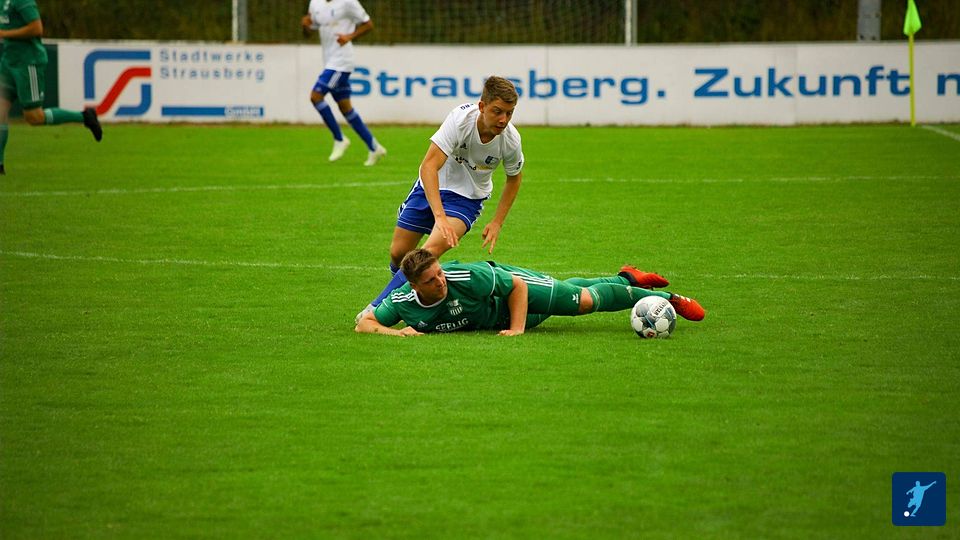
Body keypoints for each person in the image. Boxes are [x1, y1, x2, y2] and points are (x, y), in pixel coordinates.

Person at [355, 75, 524, 322]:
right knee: (399, 254)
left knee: (427, 253)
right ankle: (407, 292)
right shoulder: (460, 120)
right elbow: (428, 166)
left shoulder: (510, 140)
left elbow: (514, 178)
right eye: (497, 111)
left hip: (466, 199)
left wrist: (497, 222)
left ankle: (376, 308)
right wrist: (439, 217)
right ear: (482, 106)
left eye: (509, 113)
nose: (503, 119)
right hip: (432, 185)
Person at [355, 248, 706, 337]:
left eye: (440, 273)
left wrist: (518, 329)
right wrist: (396, 333)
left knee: (583, 303)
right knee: (568, 292)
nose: (441, 281)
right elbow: (365, 323)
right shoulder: (404, 302)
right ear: (414, 286)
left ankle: (670, 300)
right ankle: (627, 278)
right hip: (503, 316)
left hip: (515, 293)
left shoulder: (465, 276)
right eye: (432, 281)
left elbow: (517, 286)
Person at [0, 0, 102, 175]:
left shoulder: (23, 1)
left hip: (28, 63)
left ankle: (85, 117)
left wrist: (5, 34)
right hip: (8, 62)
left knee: (34, 117)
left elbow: (36, 28)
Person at [301, 0, 386, 166]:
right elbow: (309, 32)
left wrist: (349, 37)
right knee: (345, 108)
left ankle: (339, 139)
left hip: (342, 62)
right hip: (329, 60)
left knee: (316, 96)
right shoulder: (315, 3)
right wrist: (305, 26)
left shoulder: (348, 2)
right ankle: (374, 147)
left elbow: (368, 24)